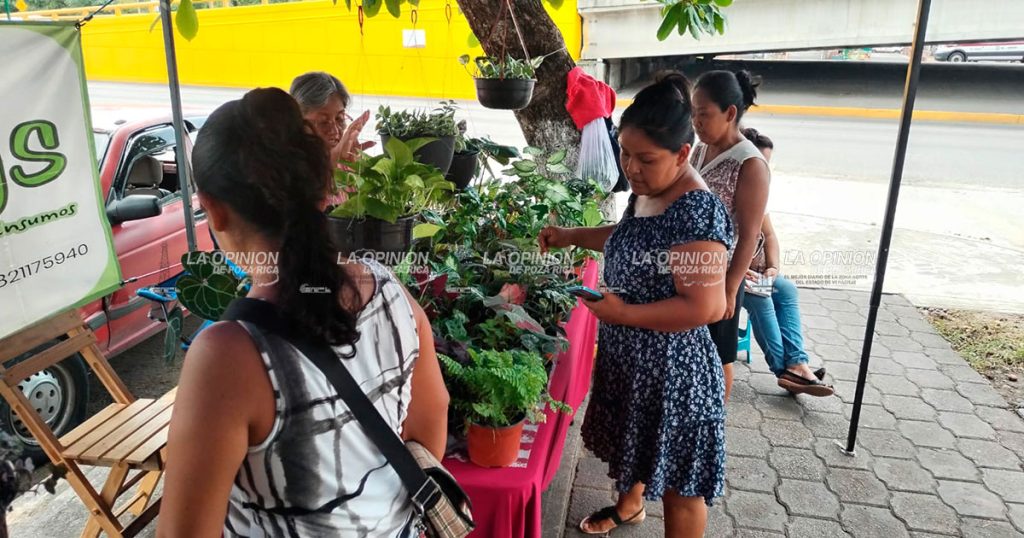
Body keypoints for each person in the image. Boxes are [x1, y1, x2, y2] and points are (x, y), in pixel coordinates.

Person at [157, 88, 449, 537]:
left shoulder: (228, 356)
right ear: (322, 189)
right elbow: (430, 423)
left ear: (212, 209)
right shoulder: (389, 288)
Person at [539, 71, 732, 538]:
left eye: (645, 158)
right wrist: (572, 237)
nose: (631, 167)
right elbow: (629, 236)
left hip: (673, 376)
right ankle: (629, 508)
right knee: (638, 456)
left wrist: (624, 313)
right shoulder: (650, 191)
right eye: (625, 151)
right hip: (635, 363)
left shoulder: (695, 210)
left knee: (681, 493)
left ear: (683, 154)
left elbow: (705, 307)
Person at [690, 70, 771, 402]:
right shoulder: (700, 149)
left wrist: (729, 288)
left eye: (704, 115)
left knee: (718, 356)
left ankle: (712, 425)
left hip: (720, 277)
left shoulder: (750, 163)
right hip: (687, 270)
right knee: (691, 351)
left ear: (730, 113)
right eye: (693, 114)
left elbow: (750, 235)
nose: (696, 122)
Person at [741, 128, 834, 397]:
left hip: (756, 271)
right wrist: (744, 271)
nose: (764, 171)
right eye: (760, 163)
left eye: (767, 165)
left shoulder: (758, 192)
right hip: (728, 271)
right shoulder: (725, 190)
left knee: (786, 289)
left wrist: (773, 267)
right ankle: (784, 371)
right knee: (762, 298)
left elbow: (769, 234)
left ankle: (797, 363)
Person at [289, 71, 373, 208]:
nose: (335, 131)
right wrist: (331, 162)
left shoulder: (348, 163)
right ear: (298, 123)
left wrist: (362, 169)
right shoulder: (287, 166)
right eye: (323, 122)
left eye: (340, 119)